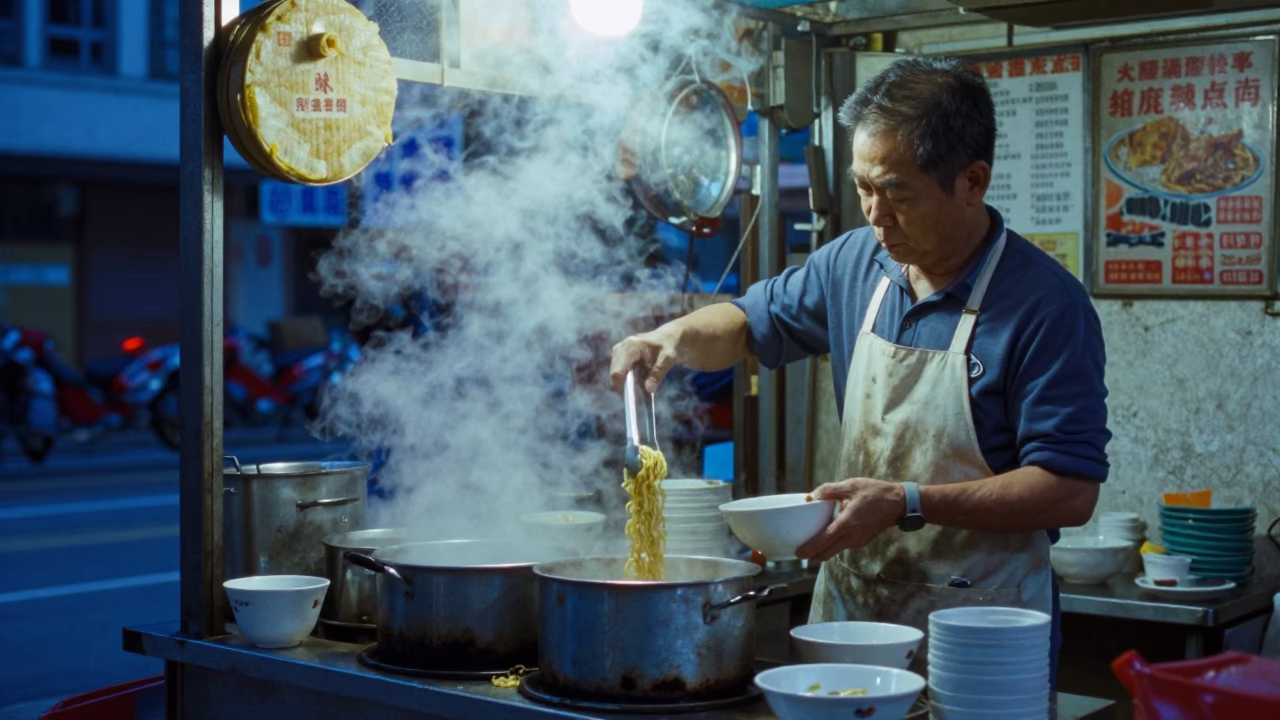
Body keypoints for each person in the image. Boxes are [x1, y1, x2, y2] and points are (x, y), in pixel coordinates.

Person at [609, 57, 1110, 686]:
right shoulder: (855, 263)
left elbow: (1070, 489)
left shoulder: (1045, 305)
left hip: (982, 624)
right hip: (853, 614)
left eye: (897, 192)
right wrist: (671, 338)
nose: (875, 215)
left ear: (972, 181)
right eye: (863, 188)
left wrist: (906, 503)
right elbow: (746, 323)